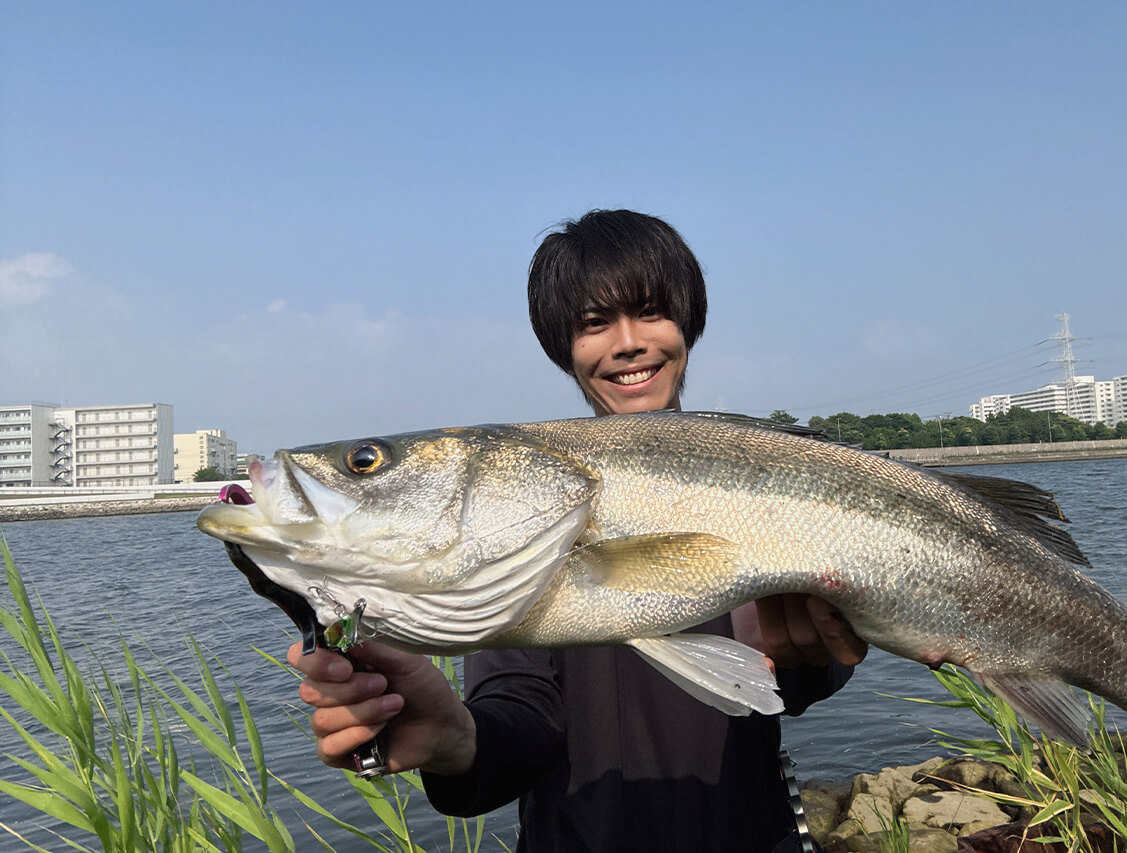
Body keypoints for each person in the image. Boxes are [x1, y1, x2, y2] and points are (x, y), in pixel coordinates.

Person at [288, 210, 866, 851]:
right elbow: (521, 710)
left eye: (650, 312)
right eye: (594, 323)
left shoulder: (763, 475)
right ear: (564, 348)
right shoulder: (521, 502)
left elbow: (798, 672)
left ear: (687, 323)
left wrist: (802, 661)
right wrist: (454, 737)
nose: (627, 342)